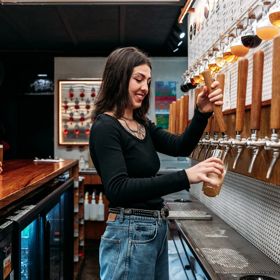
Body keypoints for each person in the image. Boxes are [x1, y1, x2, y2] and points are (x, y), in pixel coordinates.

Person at [89, 47, 224, 280]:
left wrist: (202, 113)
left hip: (154, 229)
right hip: (130, 231)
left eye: (148, 81)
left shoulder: (143, 124)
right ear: (118, 78)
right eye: (138, 79)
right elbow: (119, 188)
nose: (145, 87)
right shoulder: (105, 127)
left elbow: (180, 146)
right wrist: (185, 177)